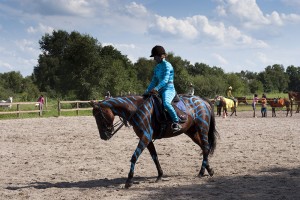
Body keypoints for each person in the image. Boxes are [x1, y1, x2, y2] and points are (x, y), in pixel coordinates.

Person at [144, 45, 181, 132]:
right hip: (160, 89)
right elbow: (154, 81)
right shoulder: (157, 67)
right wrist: (147, 91)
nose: (154, 59)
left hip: (169, 89)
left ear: (161, 56)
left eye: (155, 57)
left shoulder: (167, 65)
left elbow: (165, 80)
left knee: (166, 104)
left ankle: (176, 122)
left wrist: (156, 88)